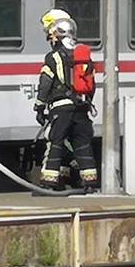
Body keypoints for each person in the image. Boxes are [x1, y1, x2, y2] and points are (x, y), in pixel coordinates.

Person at [34, 18, 98, 191]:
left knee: (55, 142)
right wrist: (86, 102)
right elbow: (91, 85)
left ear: (58, 37)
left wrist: (39, 106)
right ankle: (89, 183)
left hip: (61, 109)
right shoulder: (83, 56)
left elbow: (45, 83)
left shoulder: (53, 57)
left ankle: (49, 183)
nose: (51, 41)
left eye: (52, 37)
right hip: (81, 107)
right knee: (82, 144)